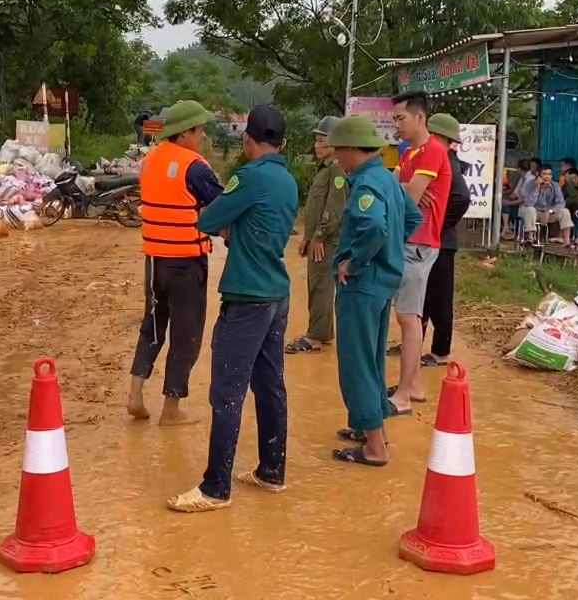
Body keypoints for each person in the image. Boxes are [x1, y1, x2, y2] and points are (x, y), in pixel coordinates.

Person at [166, 105, 298, 511]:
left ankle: (215, 488)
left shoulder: (249, 177)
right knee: (270, 385)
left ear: (246, 140)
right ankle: (271, 471)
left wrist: (230, 223)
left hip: (247, 297)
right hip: (277, 293)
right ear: (283, 142)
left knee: (227, 391)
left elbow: (209, 220)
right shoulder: (289, 180)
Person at [327, 115, 421, 466]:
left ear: (352, 150)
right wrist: (391, 254)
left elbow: (376, 228)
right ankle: (371, 427)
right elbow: (412, 219)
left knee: (357, 363)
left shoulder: (366, 185)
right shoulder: (386, 178)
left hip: (362, 285)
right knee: (373, 359)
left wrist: (354, 262)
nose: (337, 157)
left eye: (339, 150)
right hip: (383, 284)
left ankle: (375, 448)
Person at [128, 100, 223, 425]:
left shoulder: (151, 160)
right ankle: (171, 410)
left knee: (152, 326)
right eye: (199, 130)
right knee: (186, 334)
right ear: (184, 132)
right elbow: (222, 205)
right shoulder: (194, 166)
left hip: (155, 260)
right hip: (186, 261)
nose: (202, 135)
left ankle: (135, 393)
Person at [388, 91, 450, 416]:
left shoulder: (432, 152)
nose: (396, 124)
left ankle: (403, 395)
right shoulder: (409, 153)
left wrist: (405, 189)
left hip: (420, 242)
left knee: (408, 317)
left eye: (401, 118)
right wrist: (404, 188)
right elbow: (397, 186)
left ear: (420, 118)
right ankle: (412, 385)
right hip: (410, 239)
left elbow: (408, 197)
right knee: (407, 315)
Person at [285, 116, 347, 354]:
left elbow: (334, 208)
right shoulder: (326, 169)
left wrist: (319, 236)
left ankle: (316, 337)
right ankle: (323, 331)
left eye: (322, 141)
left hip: (328, 240)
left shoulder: (337, 169)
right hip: (319, 239)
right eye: (316, 141)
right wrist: (307, 238)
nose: (316, 145)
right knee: (316, 283)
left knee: (321, 285)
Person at [420, 114, 470, 367]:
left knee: (439, 297)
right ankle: (414, 342)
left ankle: (441, 352)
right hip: (431, 239)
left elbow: (462, 198)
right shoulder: (435, 158)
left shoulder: (448, 162)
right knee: (424, 294)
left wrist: (440, 224)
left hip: (442, 240)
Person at [518, 165, 573, 245]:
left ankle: (567, 242)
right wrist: (536, 187)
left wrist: (550, 211)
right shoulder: (530, 185)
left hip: (547, 213)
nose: (547, 177)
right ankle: (530, 238)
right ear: (539, 175)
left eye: (549, 174)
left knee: (565, 211)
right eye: (544, 174)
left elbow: (561, 203)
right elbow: (529, 203)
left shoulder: (555, 185)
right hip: (532, 212)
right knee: (531, 210)